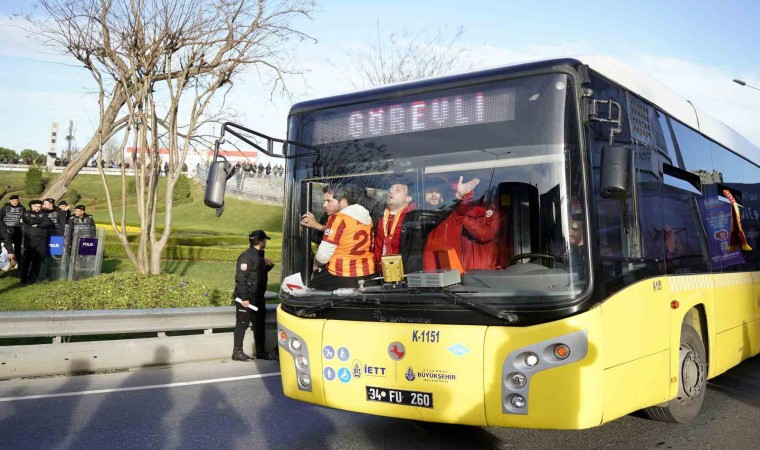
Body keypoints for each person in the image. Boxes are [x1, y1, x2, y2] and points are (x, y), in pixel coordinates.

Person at [309, 184, 375, 290]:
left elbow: (323, 256)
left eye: (328, 201)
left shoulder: (337, 218)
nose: (324, 205)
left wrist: (316, 265)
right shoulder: (367, 218)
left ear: (343, 202)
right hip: (367, 273)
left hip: (340, 274)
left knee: (309, 289)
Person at [232, 230, 275, 361]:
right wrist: (244, 298)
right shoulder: (246, 257)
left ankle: (261, 351)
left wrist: (269, 265)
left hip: (257, 298)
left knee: (259, 324)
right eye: (265, 240)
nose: (266, 242)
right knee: (242, 323)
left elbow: (257, 274)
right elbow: (241, 279)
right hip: (247, 299)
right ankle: (237, 352)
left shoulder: (258, 256)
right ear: (261, 242)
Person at [422, 177, 479, 271]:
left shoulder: (453, 214)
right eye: (430, 191)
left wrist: (464, 195)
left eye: (437, 191)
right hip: (428, 270)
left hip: (450, 267)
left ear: (443, 195)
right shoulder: (419, 213)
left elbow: (462, 207)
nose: (433, 194)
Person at [461, 199, 503, 271]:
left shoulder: (493, 215)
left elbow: (485, 235)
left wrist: (463, 218)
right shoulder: (461, 214)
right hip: (471, 267)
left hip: (481, 268)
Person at [20, 200, 53, 284]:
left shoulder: (43, 214)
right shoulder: (26, 213)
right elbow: (31, 222)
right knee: (27, 259)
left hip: (42, 239)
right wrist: (42, 221)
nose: (38, 208)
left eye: (39, 207)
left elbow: (49, 222)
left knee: (38, 259)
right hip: (30, 239)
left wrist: (38, 225)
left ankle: (34, 278)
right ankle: (23, 280)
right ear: (31, 206)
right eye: (36, 206)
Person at [0, 194, 25, 273]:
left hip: (17, 229)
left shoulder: (22, 208)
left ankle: (17, 265)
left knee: (18, 247)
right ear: (10, 201)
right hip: (6, 229)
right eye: (13, 201)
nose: (15, 202)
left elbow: (24, 219)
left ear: (18, 201)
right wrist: (4, 227)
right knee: (6, 246)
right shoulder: (5, 208)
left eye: (16, 201)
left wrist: (21, 226)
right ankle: (4, 264)